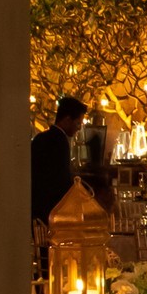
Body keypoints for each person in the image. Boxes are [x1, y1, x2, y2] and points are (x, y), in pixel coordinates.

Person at [33, 95, 85, 223]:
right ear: (67, 120)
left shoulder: (41, 138)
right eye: (78, 123)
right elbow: (60, 178)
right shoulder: (59, 141)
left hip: (36, 204)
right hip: (50, 208)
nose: (79, 128)